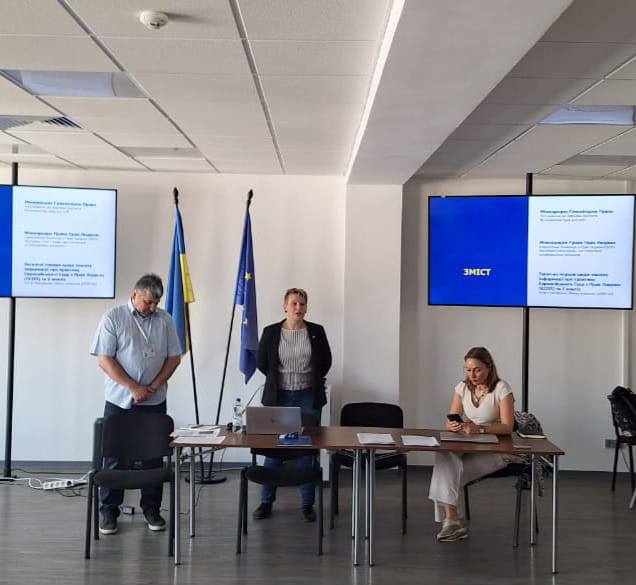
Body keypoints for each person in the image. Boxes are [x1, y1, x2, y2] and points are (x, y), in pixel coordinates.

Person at [90, 273, 182, 535]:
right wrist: (133, 387)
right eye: (148, 302)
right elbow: (105, 359)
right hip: (120, 401)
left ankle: (152, 510)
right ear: (134, 294)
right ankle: (109, 512)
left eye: (156, 303)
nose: (152, 307)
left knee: (153, 458)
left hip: (154, 401)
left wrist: (152, 387)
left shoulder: (165, 320)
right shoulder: (114, 317)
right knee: (114, 458)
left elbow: (174, 358)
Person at [253, 288, 332, 523]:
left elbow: (325, 361)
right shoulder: (271, 332)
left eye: (302, 304)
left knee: (305, 450)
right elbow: (262, 362)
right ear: (285, 306)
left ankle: (307, 504)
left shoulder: (316, 331)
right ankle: (266, 501)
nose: (298, 308)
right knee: (274, 450)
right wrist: (281, 381)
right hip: (280, 396)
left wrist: (308, 379)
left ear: (306, 307)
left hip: (308, 396)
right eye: (294, 303)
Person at [428, 346, 514, 542]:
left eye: (477, 370)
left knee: (445, 472)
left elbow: (507, 427)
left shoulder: (502, 388)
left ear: (489, 368)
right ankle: (452, 521)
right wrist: (452, 424)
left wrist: (480, 429)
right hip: (471, 444)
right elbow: (452, 417)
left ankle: (453, 522)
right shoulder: (462, 387)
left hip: (496, 449)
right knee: (444, 455)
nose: (472, 375)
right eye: (468, 370)